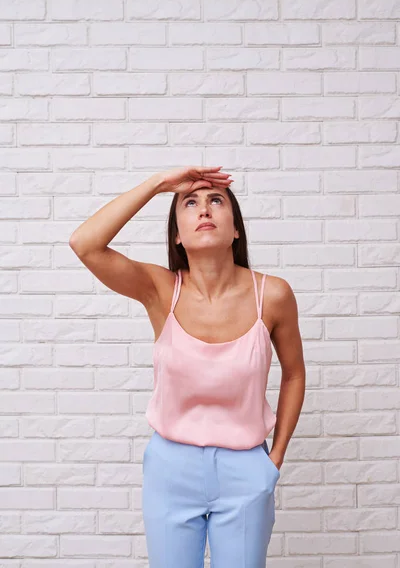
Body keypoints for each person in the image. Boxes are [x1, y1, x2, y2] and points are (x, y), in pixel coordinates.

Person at [69, 165, 306, 568]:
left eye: (216, 200)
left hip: (246, 469)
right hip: (170, 471)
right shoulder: (161, 290)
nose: (204, 209)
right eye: (190, 202)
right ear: (177, 234)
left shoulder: (274, 295)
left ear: (235, 228)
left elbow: (295, 373)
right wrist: (159, 185)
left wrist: (274, 460)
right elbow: (84, 243)